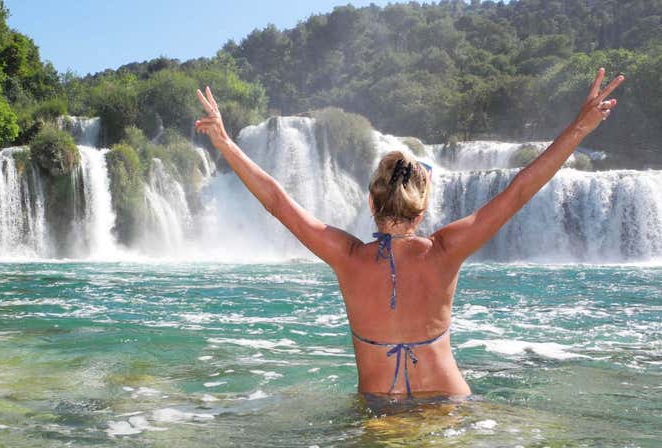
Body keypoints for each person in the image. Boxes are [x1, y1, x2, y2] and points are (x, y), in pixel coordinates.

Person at [195, 68, 623, 399]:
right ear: (422, 210)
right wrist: (580, 128)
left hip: (379, 413)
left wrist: (224, 141)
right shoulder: (447, 249)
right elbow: (519, 191)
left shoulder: (346, 256)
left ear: (370, 202)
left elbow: (276, 200)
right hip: (449, 405)